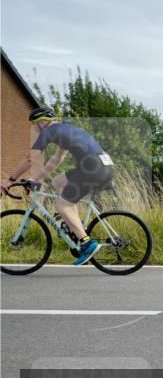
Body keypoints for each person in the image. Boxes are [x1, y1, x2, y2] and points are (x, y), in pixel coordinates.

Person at [1, 107, 113, 265]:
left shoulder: (48, 131)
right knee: (57, 182)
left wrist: (10, 180)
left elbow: (29, 158)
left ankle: (87, 243)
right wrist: (36, 178)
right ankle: (75, 225)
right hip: (101, 166)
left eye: (35, 124)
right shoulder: (66, 130)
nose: (35, 128)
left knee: (62, 206)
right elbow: (56, 160)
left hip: (92, 168)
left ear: (43, 122)